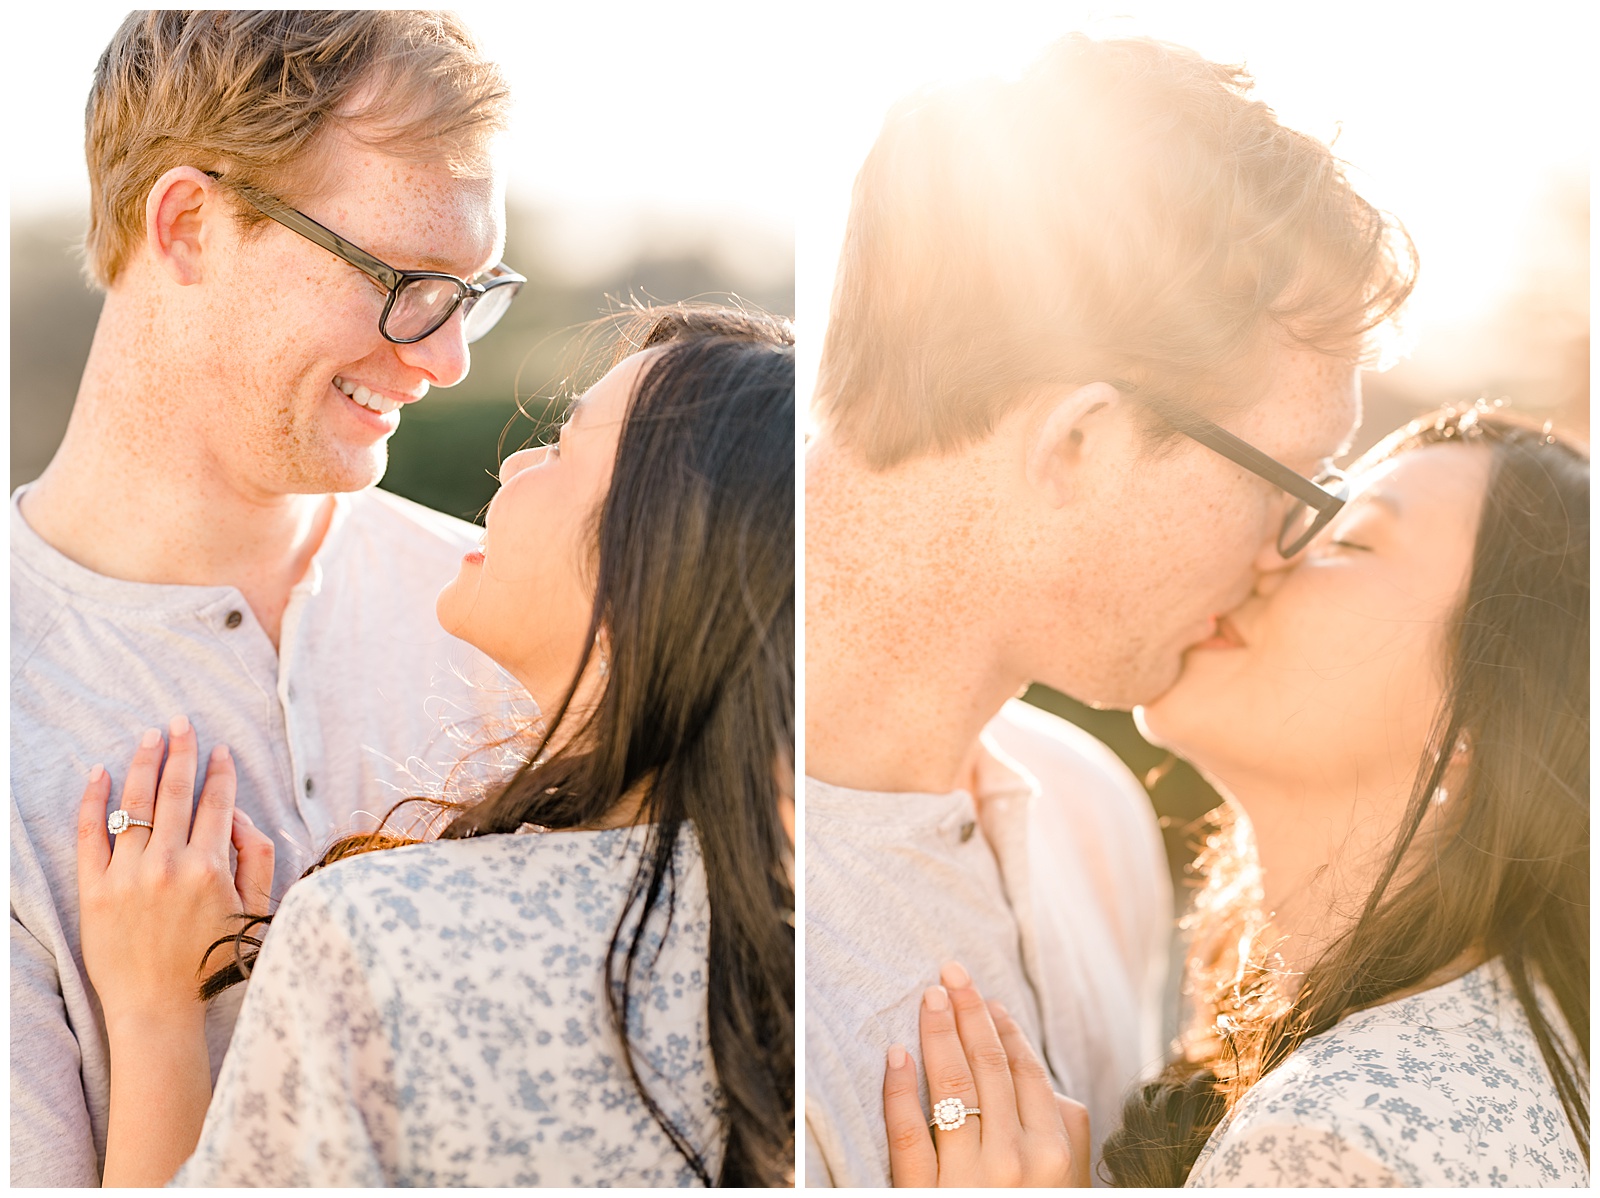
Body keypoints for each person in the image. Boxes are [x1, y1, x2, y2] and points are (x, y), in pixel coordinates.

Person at [803, 33, 1415, 1186]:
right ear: (1078, 441)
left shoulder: (1096, 822)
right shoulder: (658, 879)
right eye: (1292, 482)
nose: (1289, 556)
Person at [73, 307, 798, 1186]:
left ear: (644, 583)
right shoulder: (805, 951)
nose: (519, 461)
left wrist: (154, 1014)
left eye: (563, 451)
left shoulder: (379, 936)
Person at [10, 12, 521, 1186]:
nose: (447, 361)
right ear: (188, 225)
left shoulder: (526, 619)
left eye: (472, 292)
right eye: (404, 282)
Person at [885, 405, 1589, 1187]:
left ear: (1487, 711)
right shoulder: (1505, 1039)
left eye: (1348, 541)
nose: (1261, 555)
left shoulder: (1326, 1142)